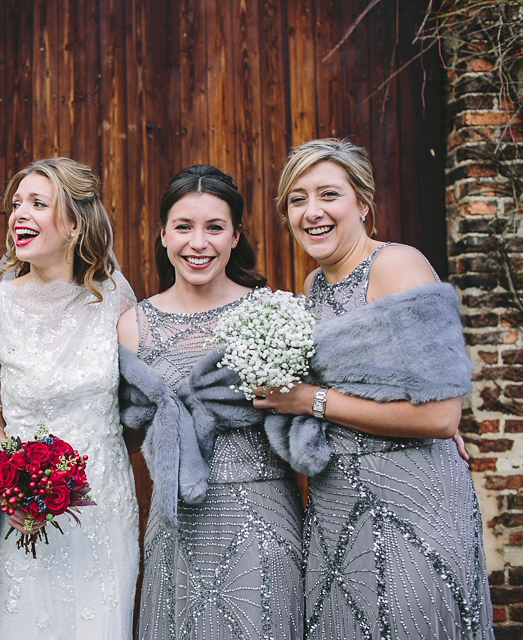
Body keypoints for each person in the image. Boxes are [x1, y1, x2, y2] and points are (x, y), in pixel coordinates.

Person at [256, 138, 494, 639]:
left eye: (328, 195)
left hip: (408, 496)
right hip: (336, 503)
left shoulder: (396, 265)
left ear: (362, 203)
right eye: (297, 199)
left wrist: (310, 400)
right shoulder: (312, 288)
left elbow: (440, 418)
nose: (312, 212)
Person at [117, 165, 304, 639]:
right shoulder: (132, 324)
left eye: (214, 228)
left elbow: (326, 394)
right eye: (183, 227)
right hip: (177, 522)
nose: (198, 243)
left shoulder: (271, 312)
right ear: (162, 235)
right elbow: (120, 432)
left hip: (260, 513)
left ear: (236, 236)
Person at [0, 157, 138, 639]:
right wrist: (13, 490)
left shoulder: (114, 297)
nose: (20, 213)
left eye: (38, 204)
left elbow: (142, 398)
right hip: (23, 517)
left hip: (105, 510)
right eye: (17, 204)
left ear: (75, 223)